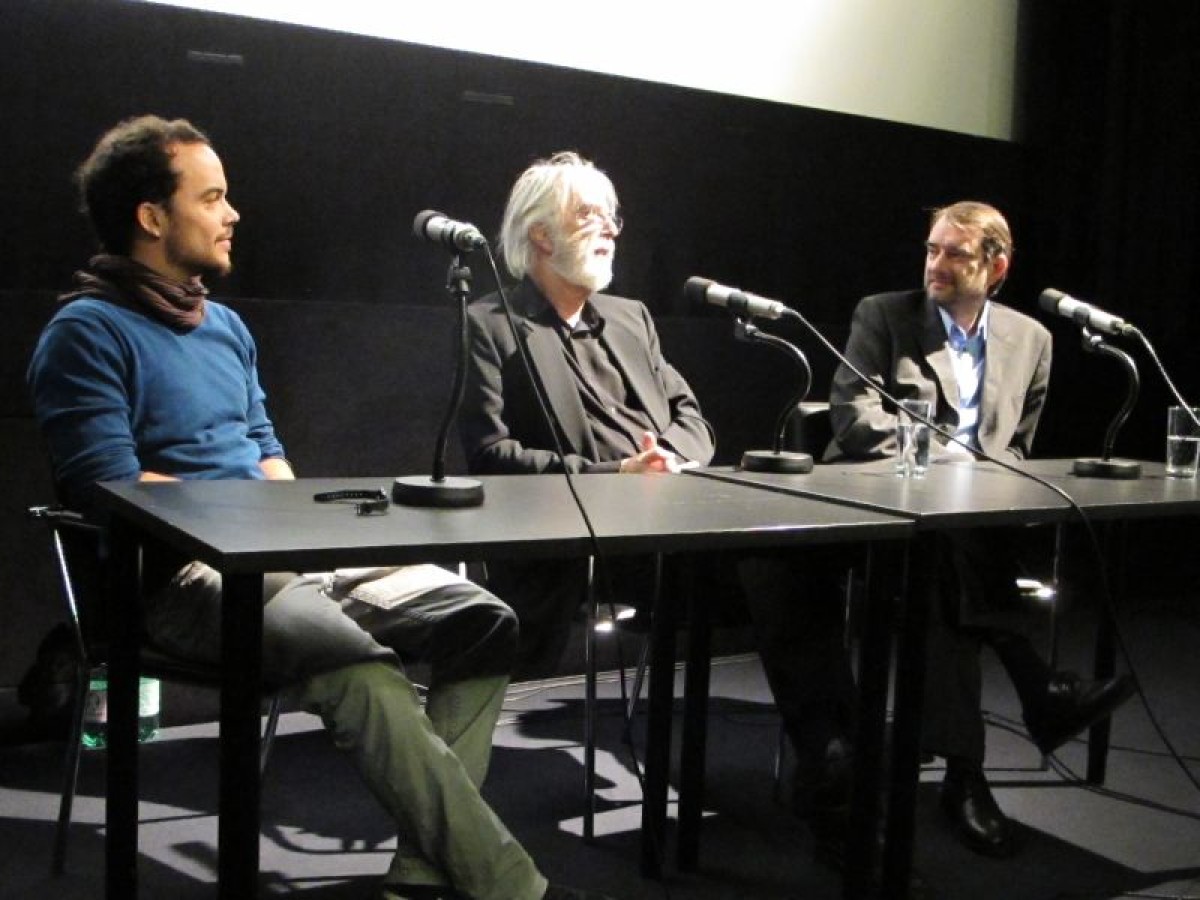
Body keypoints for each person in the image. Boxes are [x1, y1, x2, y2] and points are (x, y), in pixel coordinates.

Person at [26, 115, 615, 900]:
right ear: (152, 217)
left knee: (482, 618)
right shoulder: (85, 333)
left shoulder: (226, 328)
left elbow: (268, 451)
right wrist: (251, 519)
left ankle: (421, 872)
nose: (232, 213)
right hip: (176, 580)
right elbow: (113, 492)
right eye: (213, 197)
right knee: (358, 669)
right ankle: (508, 887)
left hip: (276, 555)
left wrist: (297, 522)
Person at [826, 200, 1135, 858]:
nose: (936, 263)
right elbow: (852, 419)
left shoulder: (1032, 339)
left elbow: (1017, 449)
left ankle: (967, 767)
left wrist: (980, 483)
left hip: (966, 525)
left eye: (955, 254)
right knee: (944, 552)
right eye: (932, 249)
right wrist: (949, 460)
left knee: (946, 574)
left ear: (997, 266)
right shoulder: (883, 315)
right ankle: (1033, 694)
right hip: (879, 507)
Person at [459, 150, 718, 677]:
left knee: (773, 560)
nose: (610, 230)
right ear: (541, 236)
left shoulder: (632, 317)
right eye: (588, 215)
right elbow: (491, 453)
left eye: (611, 217)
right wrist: (615, 476)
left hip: (665, 519)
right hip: (564, 536)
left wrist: (666, 459)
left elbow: (692, 417)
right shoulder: (490, 323)